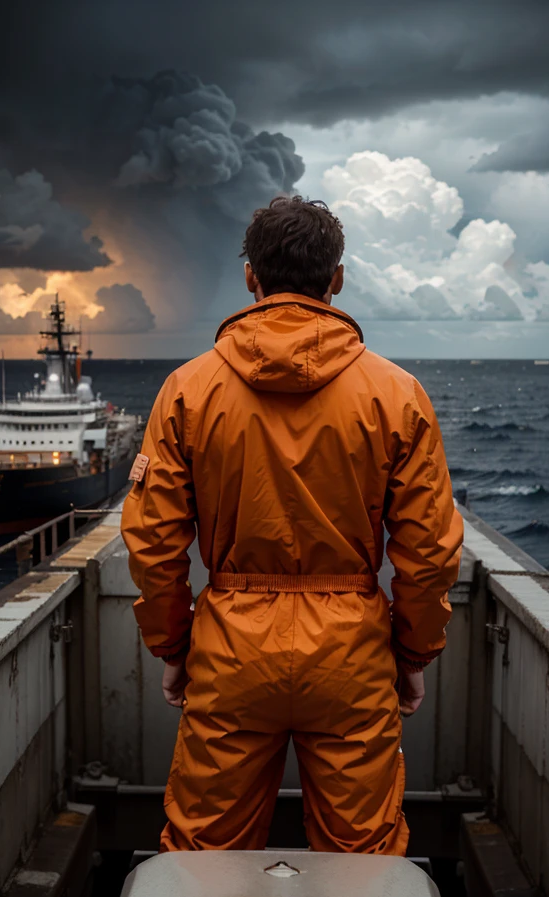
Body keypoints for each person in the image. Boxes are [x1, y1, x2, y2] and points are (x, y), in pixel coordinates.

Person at [121, 195, 463, 855]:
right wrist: (413, 655)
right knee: (365, 861)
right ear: (336, 278)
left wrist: (173, 648)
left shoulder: (187, 389)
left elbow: (154, 541)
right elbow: (429, 550)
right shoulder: (397, 394)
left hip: (229, 652)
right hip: (352, 656)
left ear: (251, 276)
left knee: (204, 856)